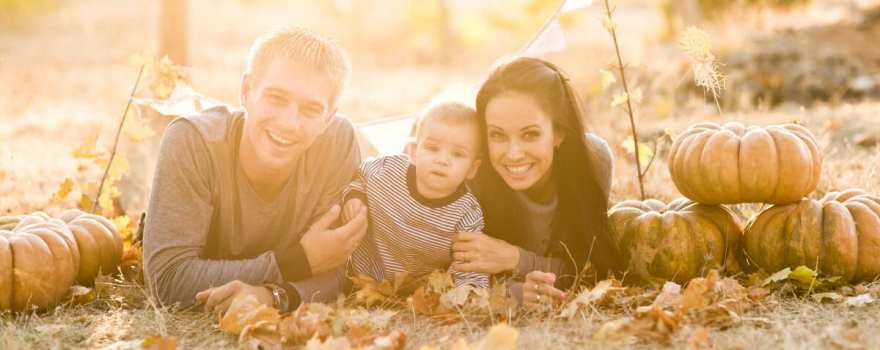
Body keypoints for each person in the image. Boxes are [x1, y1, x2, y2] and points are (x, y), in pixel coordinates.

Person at [143, 27, 367, 315]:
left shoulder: (336, 142)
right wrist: (297, 262)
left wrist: (273, 297)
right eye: (276, 98)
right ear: (246, 91)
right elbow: (167, 281)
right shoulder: (193, 141)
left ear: (328, 118)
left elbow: (337, 267)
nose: (289, 123)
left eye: (311, 109)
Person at [450, 56, 620, 307]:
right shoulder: (470, 172)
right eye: (498, 135)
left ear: (558, 132)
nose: (513, 153)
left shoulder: (594, 160)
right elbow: (450, 272)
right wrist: (514, 293)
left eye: (530, 134)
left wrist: (515, 258)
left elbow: (589, 266)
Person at [344, 101, 488, 288]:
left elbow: (469, 263)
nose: (442, 160)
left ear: (472, 168)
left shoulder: (466, 214)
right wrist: (355, 197)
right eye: (432, 148)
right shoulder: (388, 170)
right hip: (361, 275)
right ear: (413, 151)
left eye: (457, 154)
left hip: (417, 292)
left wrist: (467, 293)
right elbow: (360, 176)